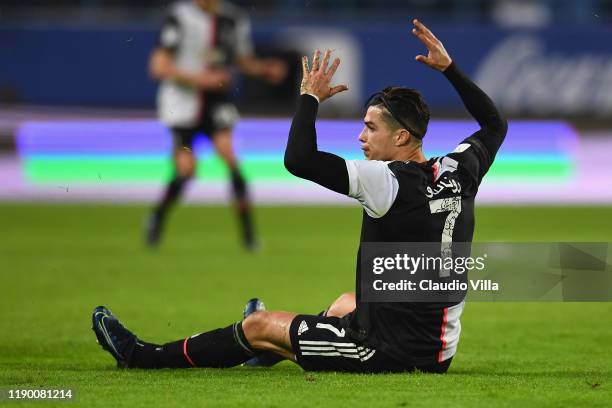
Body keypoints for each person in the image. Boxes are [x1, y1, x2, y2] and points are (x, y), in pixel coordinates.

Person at [93, 20, 507, 373]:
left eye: (370, 128)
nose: (361, 138)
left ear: (401, 136)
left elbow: (299, 159)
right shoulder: (458, 169)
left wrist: (309, 98)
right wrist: (450, 69)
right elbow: (493, 123)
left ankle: (141, 355)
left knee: (258, 324)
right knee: (347, 301)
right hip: (437, 347)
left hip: (389, 350)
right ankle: (268, 352)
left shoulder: (387, 181)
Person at [145, 0, 287, 249]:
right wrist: (201, 79)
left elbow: (241, 59)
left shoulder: (233, 19)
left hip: (216, 104)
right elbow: (159, 66)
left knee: (230, 158)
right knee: (186, 169)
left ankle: (249, 237)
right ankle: (156, 218)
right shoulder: (179, 17)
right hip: (181, 105)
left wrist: (264, 69)